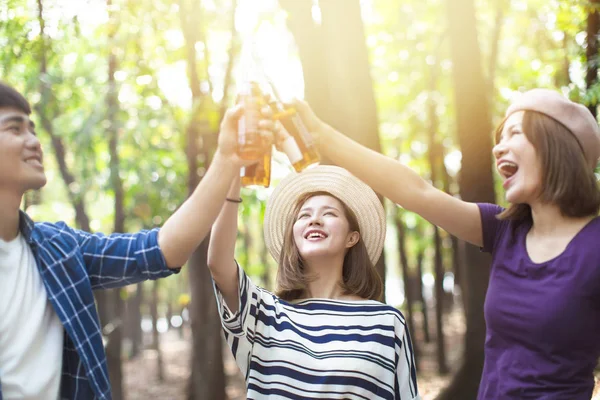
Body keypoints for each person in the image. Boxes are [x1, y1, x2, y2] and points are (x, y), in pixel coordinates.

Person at [290, 88, 600, 399]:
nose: (498, 150)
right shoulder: (505, 230)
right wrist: (321, 135)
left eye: (514, 133)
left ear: (555, 145)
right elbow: (415, 191)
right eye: (499, 139)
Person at [0, 82, 274, 400]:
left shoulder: (58, 248)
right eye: (15, 129)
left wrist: (228, 158)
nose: (34, 142)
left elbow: (159, 251)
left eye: (33, 129)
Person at [208, 163, 420, 399]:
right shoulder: (264, 314)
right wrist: (233, 177)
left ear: (352, 237)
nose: (314, 220)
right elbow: (218, 264)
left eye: (329, 213)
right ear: (295, 235)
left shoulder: (387, 323)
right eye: (304, 215)